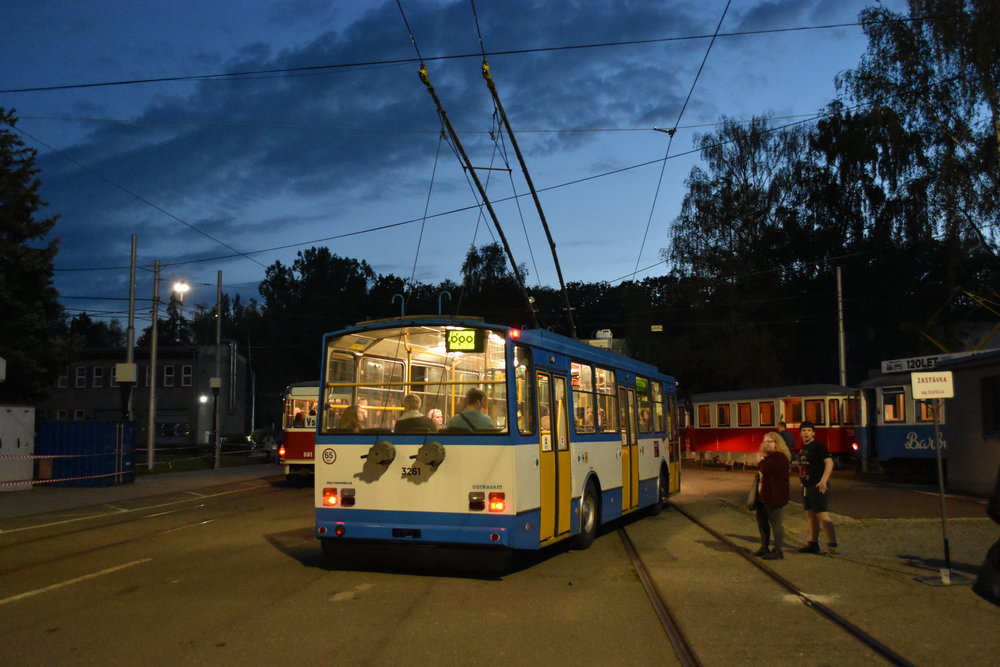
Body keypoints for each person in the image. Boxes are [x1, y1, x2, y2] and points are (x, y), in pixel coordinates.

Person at [796, 421, 838, 554]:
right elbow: (803, 465)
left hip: (817, 486)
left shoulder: (819, 446)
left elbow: (829, 463)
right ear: (800, 433)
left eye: (809, 430)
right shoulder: (802, 448)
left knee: (822, 515)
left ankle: (832, 545)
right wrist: (802, 481)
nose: (806, 432)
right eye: (804, 430)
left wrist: (823, 481)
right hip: (807, 486)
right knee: (810, 516)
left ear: (813, 433)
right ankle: (813, 543)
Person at [754, 432, 791, 560]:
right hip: (764, 495)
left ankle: (777, 551)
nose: (767, 444)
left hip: (774, 495)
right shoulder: (770, 458)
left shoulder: (779, 457)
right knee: (762, 521)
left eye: (770, 442)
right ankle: (764, 547)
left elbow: (764, 469)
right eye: (765, 442)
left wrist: (761, 460)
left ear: (777, 443)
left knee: (776, 522)